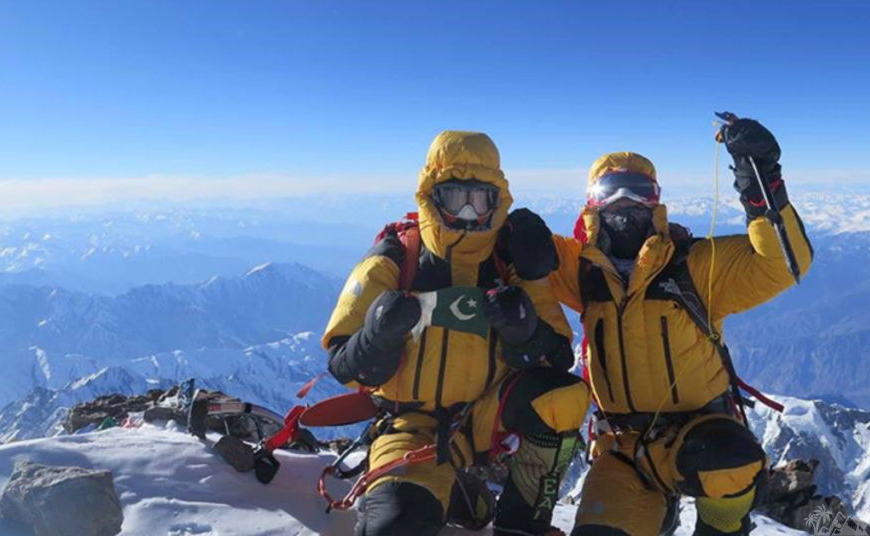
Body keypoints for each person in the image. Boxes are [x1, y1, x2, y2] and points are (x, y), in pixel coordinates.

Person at [506, 118, 813, 535]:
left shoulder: (692, 265)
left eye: (639, 192)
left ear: (656, 203)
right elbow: (504, 248)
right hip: (622, 449)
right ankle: (657, 512)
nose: (624, 203)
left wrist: (761, 186)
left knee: (730, 458)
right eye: (609, 192)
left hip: (701, 436)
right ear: (591, 206)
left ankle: (720, 526)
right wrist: (519, 231)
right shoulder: (581, 268)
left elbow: (782, 264)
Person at [322, 131, 590, 536]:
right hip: (410, 425)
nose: (467, 211)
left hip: (482, 414)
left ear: (496, 201)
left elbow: (558, 359)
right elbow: (343, 364)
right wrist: (377, 335)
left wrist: (526, 332)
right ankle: (449, 489)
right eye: (454, 197)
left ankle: (520, 525)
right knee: (394, 525)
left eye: (479, 199)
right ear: (432, 196)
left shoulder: (508, 262)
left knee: (564, 396)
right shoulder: (394, 260)